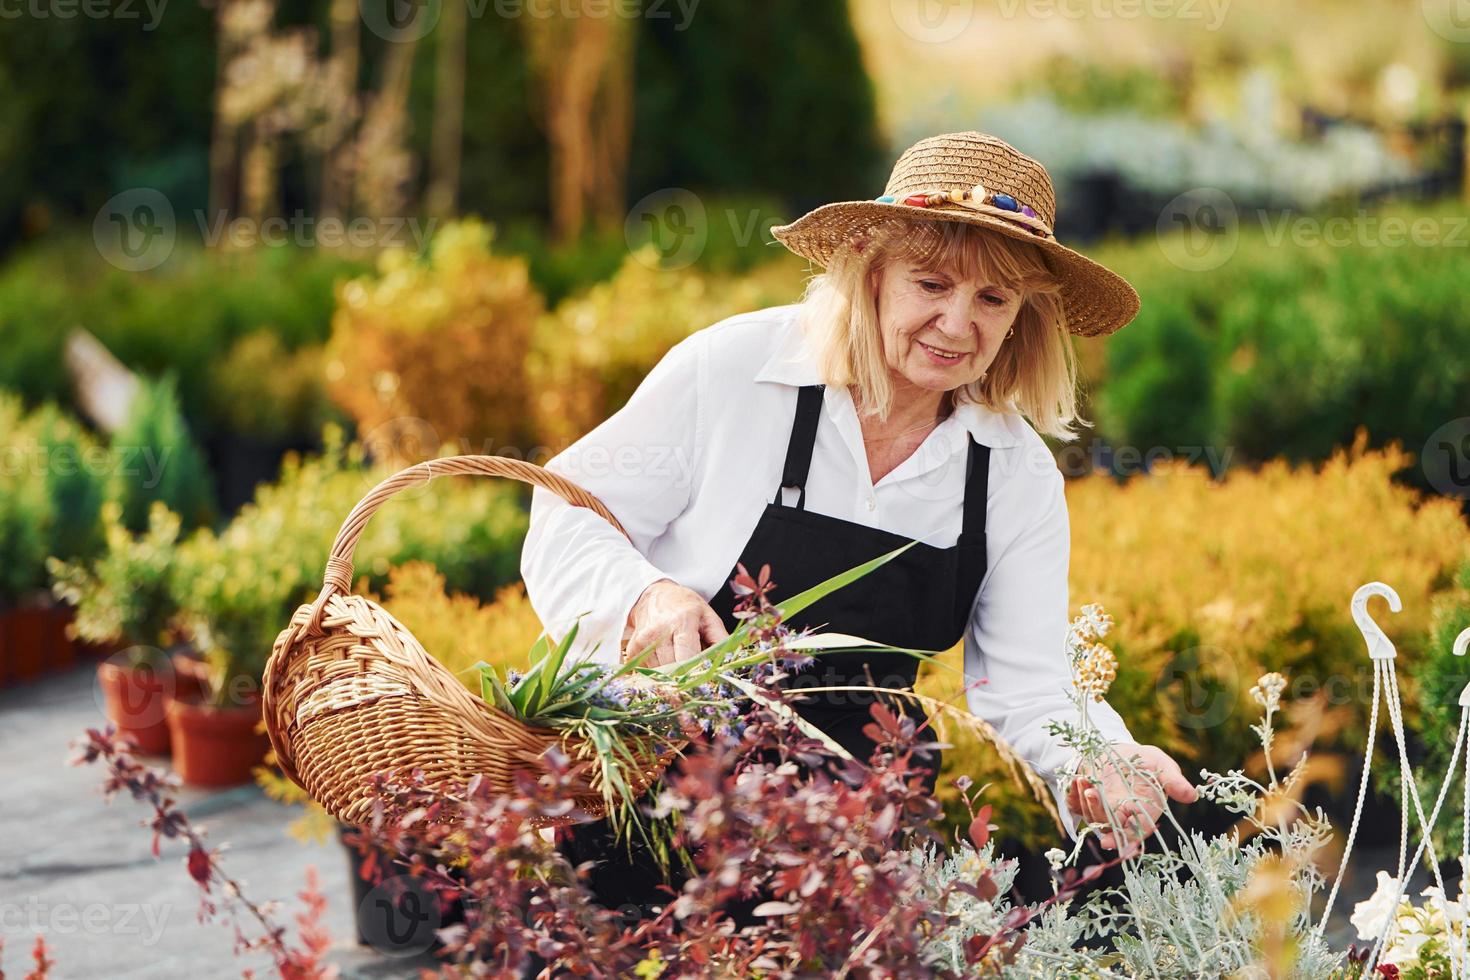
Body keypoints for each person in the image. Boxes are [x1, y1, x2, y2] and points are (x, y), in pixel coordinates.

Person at [519, 131, 1198, 927]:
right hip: (650, 796)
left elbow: (1028, 682)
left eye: (992, 300)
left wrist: (1101, 760)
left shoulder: (1011, 473)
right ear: (870, 271)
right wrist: (646, 597)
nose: (956, 324)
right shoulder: (737, 373)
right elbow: (566, 511)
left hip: (848, 842)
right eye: (931, 283)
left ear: (1023, 317)